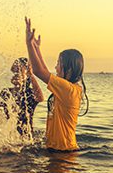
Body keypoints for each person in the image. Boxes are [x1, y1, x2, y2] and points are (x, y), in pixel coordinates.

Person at [25, 17, 89, 151]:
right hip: (57, 151)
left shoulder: (68, 90)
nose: (56, 67)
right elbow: (44, 70)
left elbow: (38, 71)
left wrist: (29, 44)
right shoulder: (67, 88)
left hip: (63, 153)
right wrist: (36, 48)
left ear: (69, 69)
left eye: (59, 64)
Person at [0, 57, 43, 138]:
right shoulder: (5, 93)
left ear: (26, 74)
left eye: (18, 70)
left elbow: (40, 98)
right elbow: (0, 117)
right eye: (13, 71)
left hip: (25, 137)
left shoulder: (28, 94)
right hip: (9, 136)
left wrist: (31, 75)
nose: (15, 74)